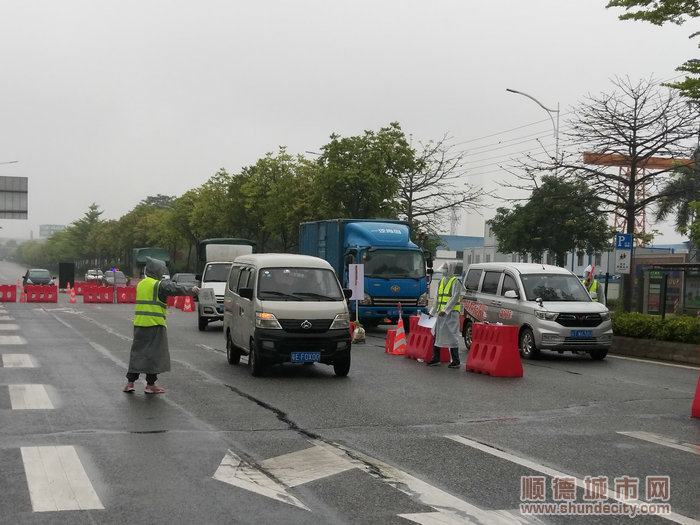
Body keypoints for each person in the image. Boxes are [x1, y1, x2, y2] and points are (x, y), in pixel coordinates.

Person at [123, 257, 200, 394]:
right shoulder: (159, 285)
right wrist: (192, 289)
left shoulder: (141, 284)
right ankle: (150, 384)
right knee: (154, 355)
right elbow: (175, 288)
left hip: (140, 324)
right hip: (155, 325)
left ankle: (130, 383)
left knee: (137, 354)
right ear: (157, 271)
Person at [427, 263, 464, 368]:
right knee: (437, 335)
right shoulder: (442, 281)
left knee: (452, 336)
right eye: (443, 268)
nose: (443, 270)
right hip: (441, 314)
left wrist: (445, 310)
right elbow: (437, 298)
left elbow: (455, 297)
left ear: (450, 269)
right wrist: (432, 312)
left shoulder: (455, 281)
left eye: (445, 268)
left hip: (451, 314)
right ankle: (436, 358)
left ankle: (456, 360)